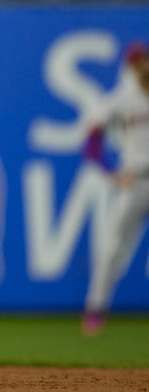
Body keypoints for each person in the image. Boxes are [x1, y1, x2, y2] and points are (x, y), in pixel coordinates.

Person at [81, 41, 149, 336]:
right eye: (137, 62)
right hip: (133, 179)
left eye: (144, 60)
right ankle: (96, 309)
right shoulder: (120, 101)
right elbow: (91, 143)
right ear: (129, 68)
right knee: (110, 248)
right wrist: (111, 172)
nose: (142, 66)